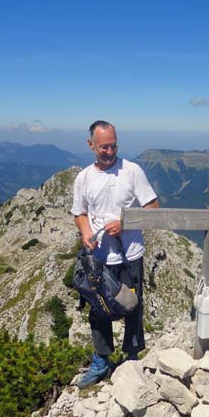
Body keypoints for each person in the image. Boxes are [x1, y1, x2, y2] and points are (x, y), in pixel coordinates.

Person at [71, 120, 159, 389]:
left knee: (133, 305)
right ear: (91, 145)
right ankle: (102, 360)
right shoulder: (84, 177)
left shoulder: (132, 172)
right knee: (97, 309)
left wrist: (125, 222)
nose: (109, 151)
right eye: (103, 147)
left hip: (130, 253)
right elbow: (79, 213)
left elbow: (154, 209)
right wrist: (86, 233)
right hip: (98, 258)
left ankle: (132, 358)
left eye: (113, 145)